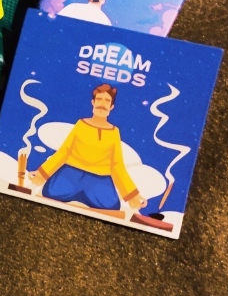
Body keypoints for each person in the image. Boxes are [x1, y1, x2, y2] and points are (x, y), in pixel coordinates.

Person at [29, 83, 147, 213]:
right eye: (99, 99)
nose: (102, 104)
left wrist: (132, 195)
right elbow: (64, 152)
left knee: (111, 205)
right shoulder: (81, 124)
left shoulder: (114, 132)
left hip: (99, 179)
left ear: (111, 106)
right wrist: (42, 173)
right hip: (71, 173)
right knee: (51, 192)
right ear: (93, 102)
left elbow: (117, 165)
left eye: (107, 100)